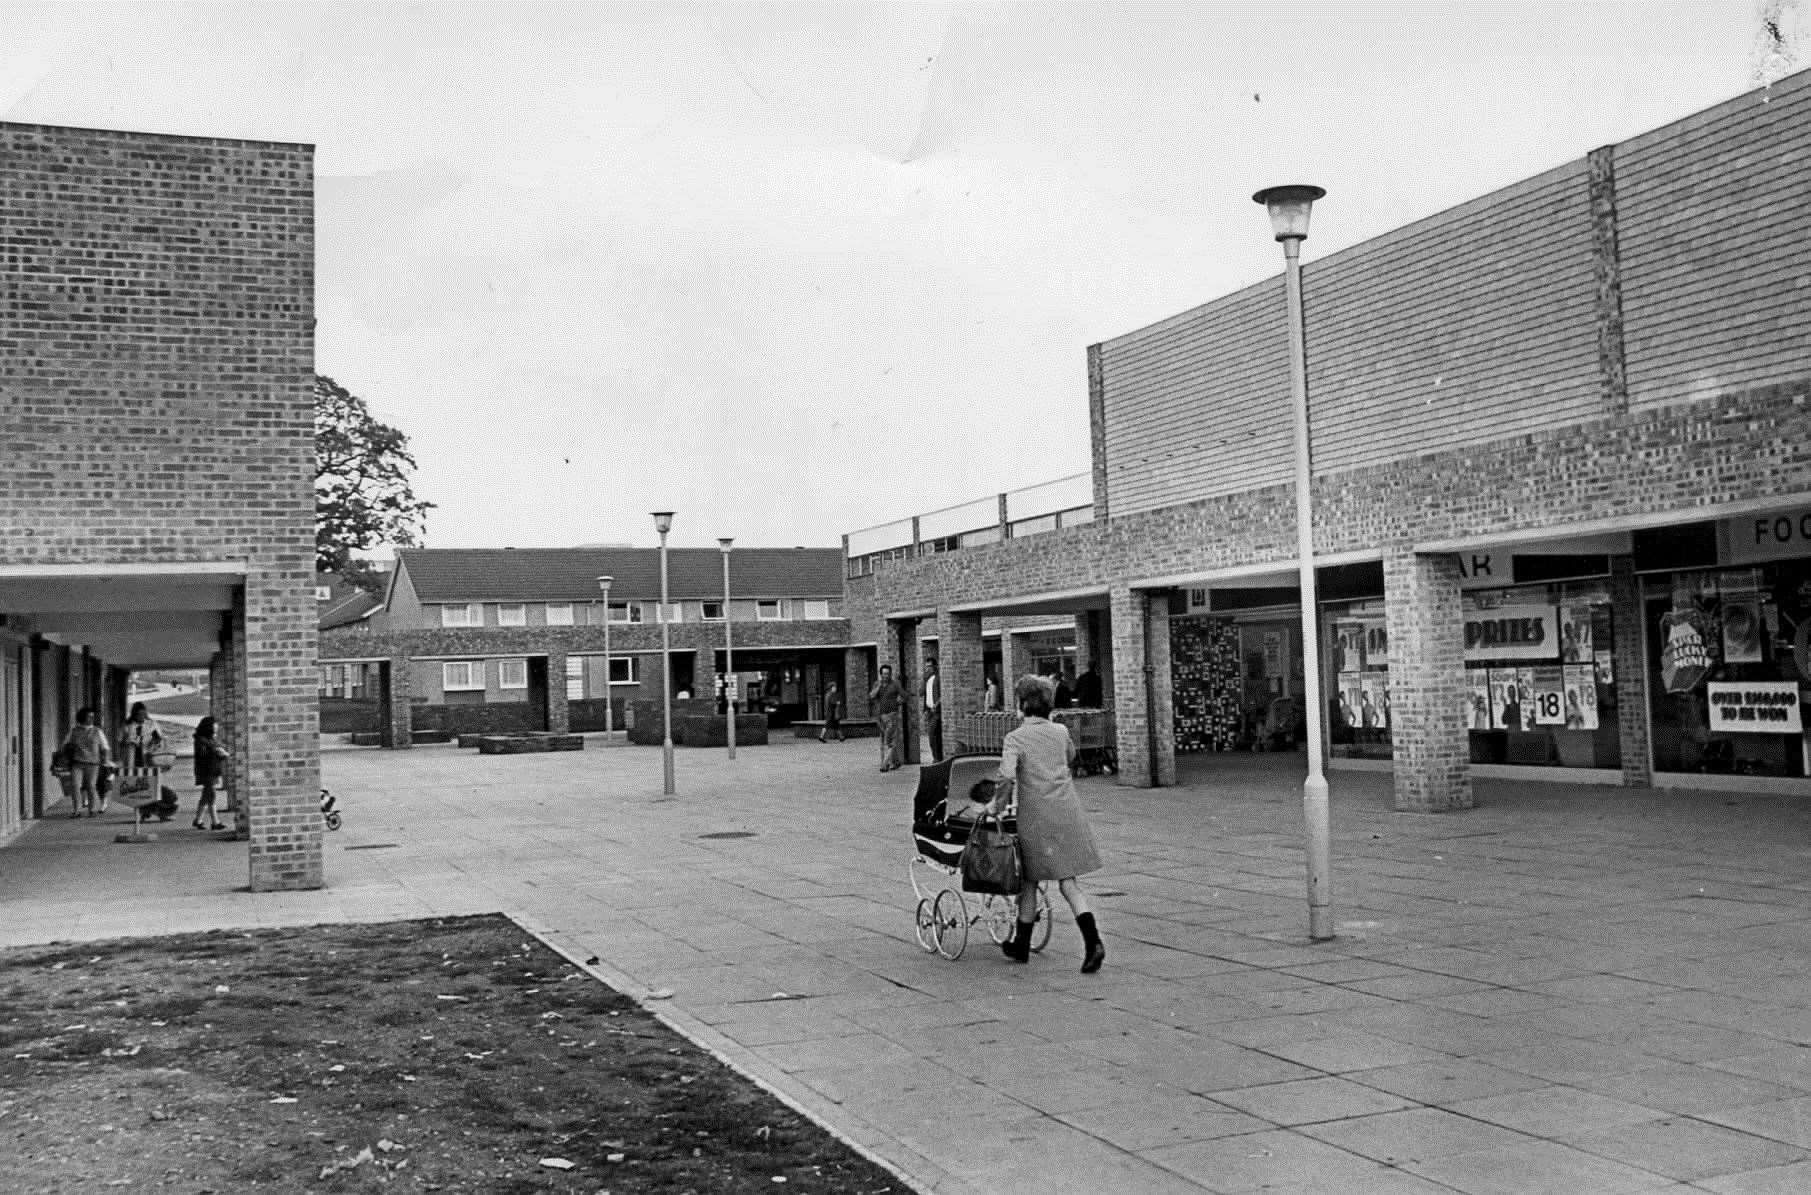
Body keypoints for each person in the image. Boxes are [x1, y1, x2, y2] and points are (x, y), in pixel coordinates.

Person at [988, 674, 1106, 973]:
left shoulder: (1015, 739)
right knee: (1069, 882)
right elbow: (1069, 756)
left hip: (1036, 817)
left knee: (1029, 880)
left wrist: (996, 807)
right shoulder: (1061, 731)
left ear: (1022, 706)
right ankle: (1093, 943)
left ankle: (1022, 945)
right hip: (1067, 813)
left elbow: (1007, 776)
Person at [59, 707, 111, 817]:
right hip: (77, 763)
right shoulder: (74, 731)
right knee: (75, 785)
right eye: (89, 716)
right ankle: (76, 810)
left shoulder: (97, 731)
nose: (91, 719)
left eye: (92, 716)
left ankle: (92, 810)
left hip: (93, 764)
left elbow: (105, 747)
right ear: (82, 717)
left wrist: (105, 761)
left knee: (91, 786)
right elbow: (64, 745)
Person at [192, 716, 228, 830]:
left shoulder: (209, 740)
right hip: (206, 771)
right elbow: (203, 755)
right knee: (211, 794)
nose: (216, 729)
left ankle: (198, 820)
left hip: (211, 770)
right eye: (214, 727)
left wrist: (219, 753)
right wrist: (217, 752)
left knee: (206, 795)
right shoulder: (201, 741)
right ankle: (215, 822)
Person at [869, 664, 905, 771]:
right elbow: (871, 696)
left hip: (892, 715)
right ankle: (896, 761)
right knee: (886, 740)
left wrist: (899, 701)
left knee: (888, 740)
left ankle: (885, 764)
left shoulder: (895, 684)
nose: (886, 675)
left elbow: (904, 696)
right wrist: (879, 687)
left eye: (888, 673)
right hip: (881, 716)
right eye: (884, 673)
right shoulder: (877, 684)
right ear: (881, 674)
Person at [118, 701, 165, 769]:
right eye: (139, 714)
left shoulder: (152, 724)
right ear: (134, 714)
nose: (141, 717)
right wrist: (127, 742)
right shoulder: (127, 725)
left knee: (147, 774)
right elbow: (120, 741)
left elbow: (159, 739)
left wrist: (154, 742)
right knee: (132, 773)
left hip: (147, 754)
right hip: (131, 754)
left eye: (143, 714)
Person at [923, 659, 943, 763]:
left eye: (930, 666)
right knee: (931, 737)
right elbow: (925, 694)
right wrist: (925, 709)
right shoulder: (928, 680)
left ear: (935, 666)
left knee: (933, 734)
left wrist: (937, 704)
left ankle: (937, 758)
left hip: (936, 711)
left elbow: (943, 694)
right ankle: (935, 757)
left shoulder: (938, 678)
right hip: (930, 711)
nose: (927, 669)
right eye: (926, 666)